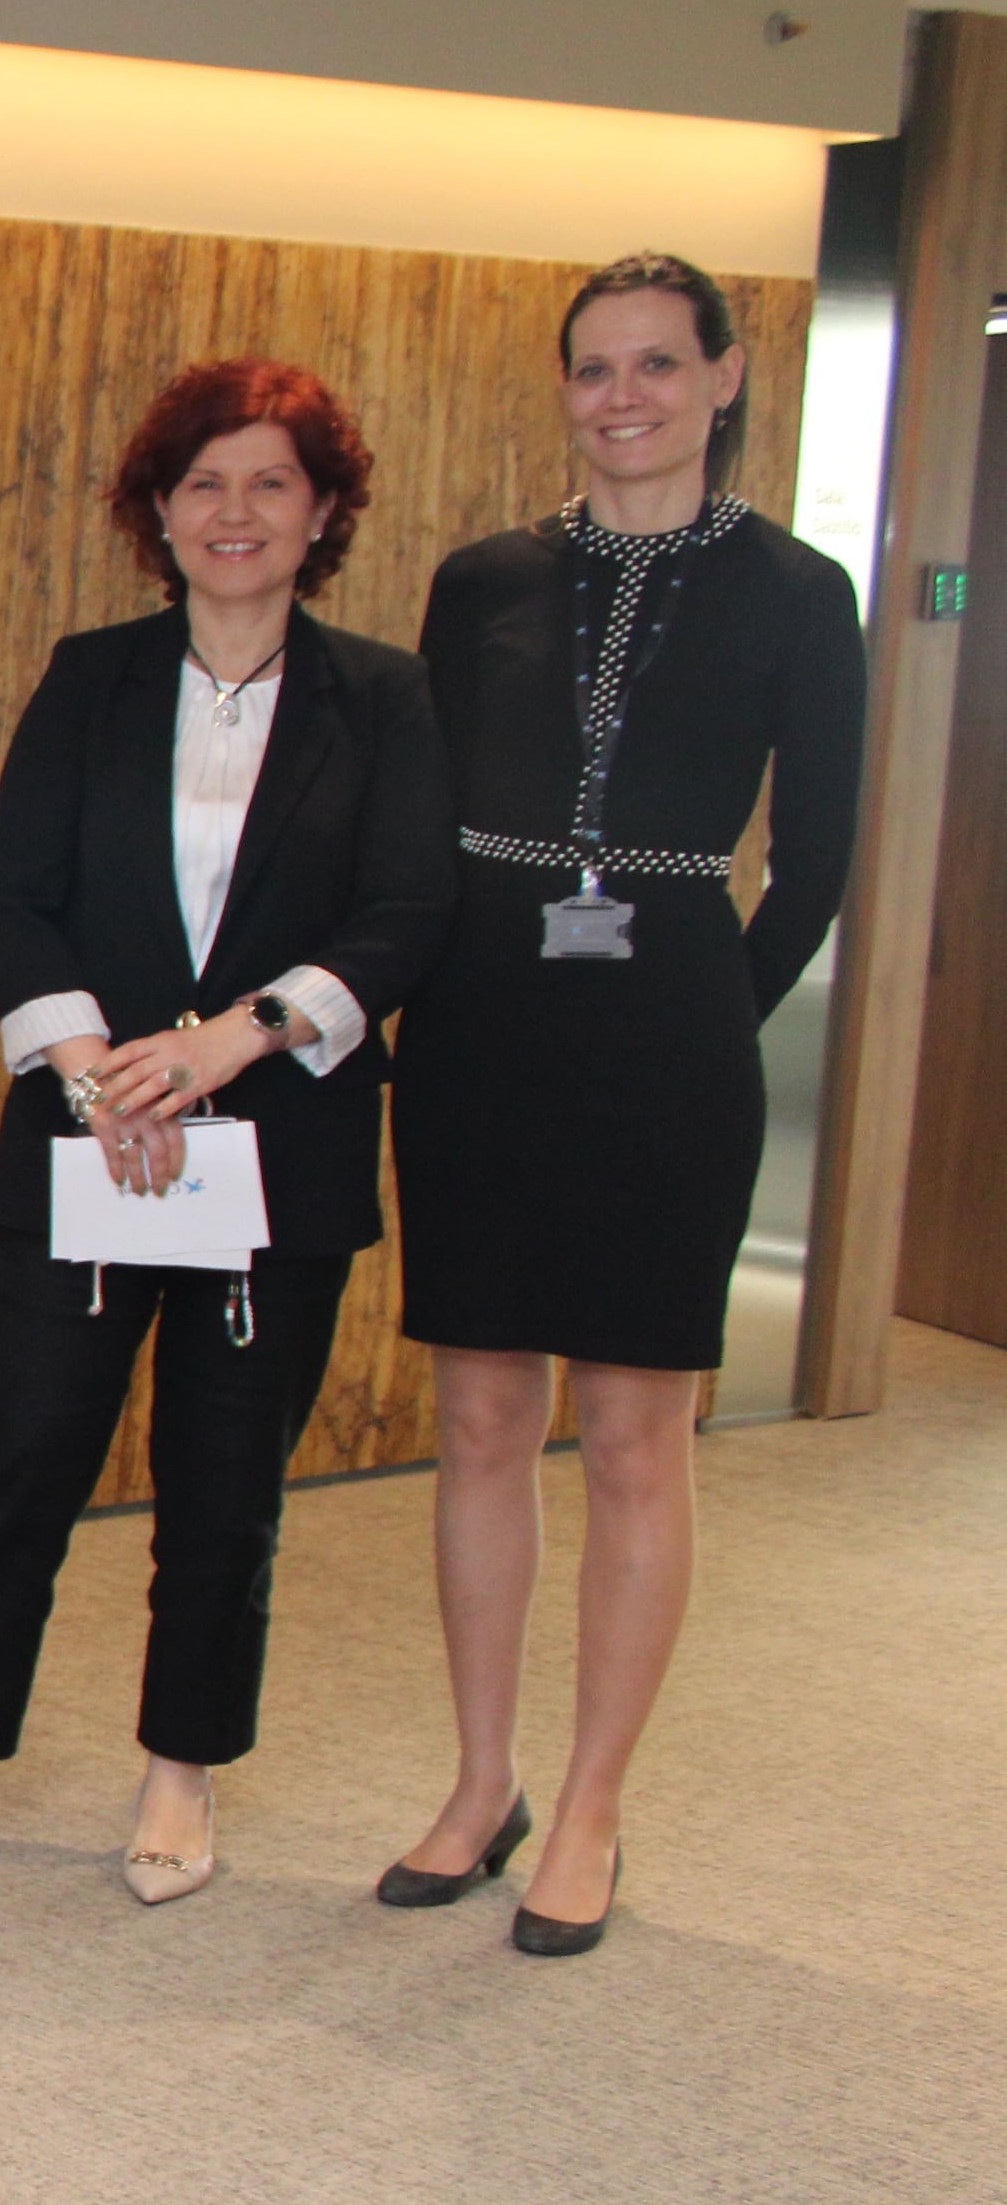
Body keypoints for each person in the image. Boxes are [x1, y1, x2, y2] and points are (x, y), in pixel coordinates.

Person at [0, 363, 450, 1908]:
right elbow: (13, 897)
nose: (234, 512)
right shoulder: (93, 677)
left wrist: (227, 1041)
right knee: (17, 1454)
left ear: (322, 510)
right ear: (160, 513)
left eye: (270, 481)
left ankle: (182, 1771)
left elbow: (407, 912)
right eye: (204, 483)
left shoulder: (383, 696)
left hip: (280, 1153)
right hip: (89, 1145)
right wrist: (99, 1077)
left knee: (225, 1485)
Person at [379, 255, 865, 1956]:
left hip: (670, 1038)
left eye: (660, 364)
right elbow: (416, 811)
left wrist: (711, 1011)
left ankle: (590, 1803)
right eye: (595, 368)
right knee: (482, 1416)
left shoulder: (799, 593)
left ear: (725, 377)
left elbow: (817, 857)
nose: (624, 397)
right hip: (479, 1029)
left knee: (637, 1430)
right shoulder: (482, 580)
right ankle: (483, 1779)